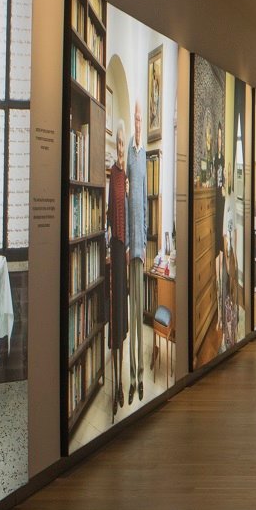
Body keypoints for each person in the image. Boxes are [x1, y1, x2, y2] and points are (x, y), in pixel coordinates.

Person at [106, 120, 129, 404]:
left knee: (123, 322)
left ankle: (123, 382)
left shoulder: (130, 174)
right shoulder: (113, 174)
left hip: (126, 253)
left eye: (124, 143)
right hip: (115, 250)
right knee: (114, 321)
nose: (121, 147)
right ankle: (116, 386)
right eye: (118, 143)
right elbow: (110, 215)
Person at [127, 103, 147, 401]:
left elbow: (142, 201)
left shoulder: (144, 155)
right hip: (127, 244)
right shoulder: (129, 152)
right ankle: (131, 376)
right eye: (137, 117)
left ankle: (141, 374)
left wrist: (142, 240)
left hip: (141, 247)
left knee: (140, 315)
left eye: (142, 117)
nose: (139, 121)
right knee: (130, 316)